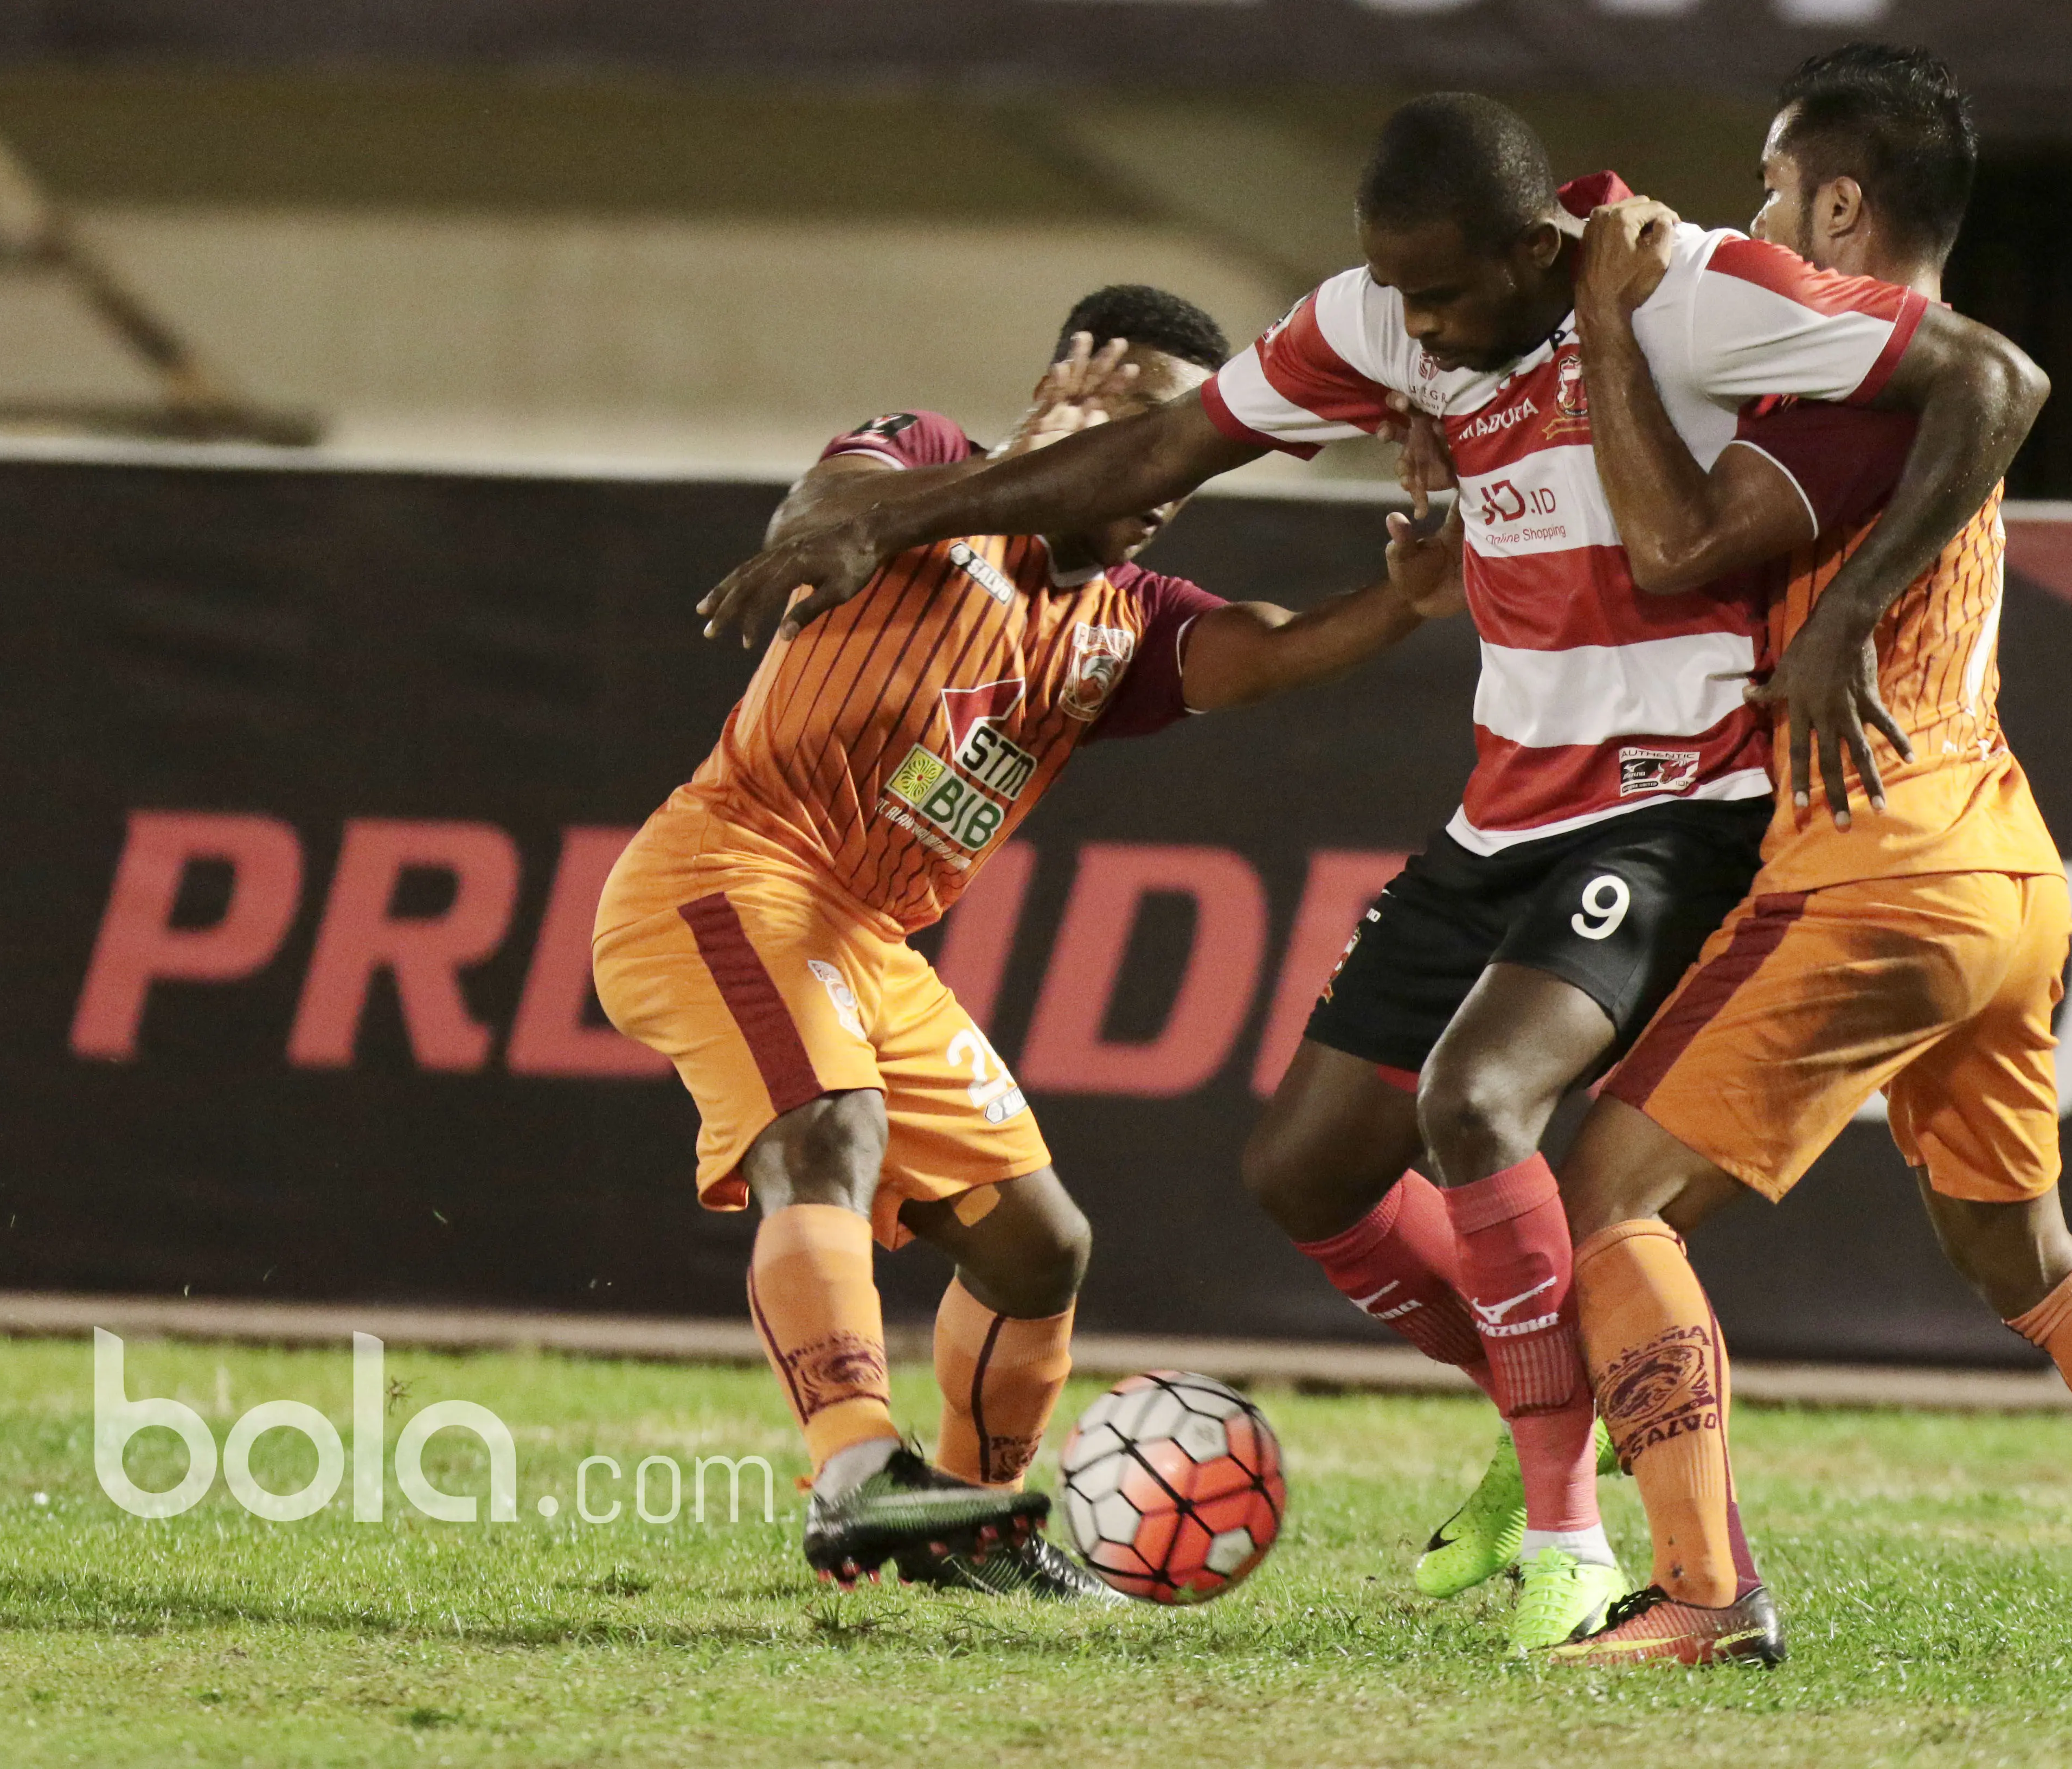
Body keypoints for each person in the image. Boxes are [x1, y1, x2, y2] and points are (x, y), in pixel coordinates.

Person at [692, 95, 2047, 1649]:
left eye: (1449, 295)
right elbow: (1169, 447)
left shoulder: (1698, 288)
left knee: (1478, 1102)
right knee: (1310, 1163)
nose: (1417, 329)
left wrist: (1847, 613)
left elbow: (1996, 379)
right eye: (1394, 293)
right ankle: (1574, 1397)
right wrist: (895, 516)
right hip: (1504, 810)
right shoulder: (1389, 323)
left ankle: (1575, 1537)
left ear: (1539, 246)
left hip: (1686, 799)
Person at [1499, 47, 2072, 1669]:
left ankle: (1706, 1593)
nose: (1761, 217)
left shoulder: (1860, 390)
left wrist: (1617, 321)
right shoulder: (1902, 393)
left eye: (1776, 189)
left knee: (1611, 1192)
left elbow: (1672, 545)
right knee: (2028, 1258)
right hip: (2004, 871)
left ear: (1840, 203)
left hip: (1878, 869)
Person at [596, 285, 1463, 1599]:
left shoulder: (1124, 619)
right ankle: (852, 1471)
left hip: (869, 940)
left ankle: (970, 1527)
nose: (1162, 475)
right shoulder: (935, 462)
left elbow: (1266, 653)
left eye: (1190, 456)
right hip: (734, 871)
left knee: (1038, 1244)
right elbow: (819, 519)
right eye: (1138, 429)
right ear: (1067, 393)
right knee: (826, 1128)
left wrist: (1405, 602)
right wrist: (1015, 465)